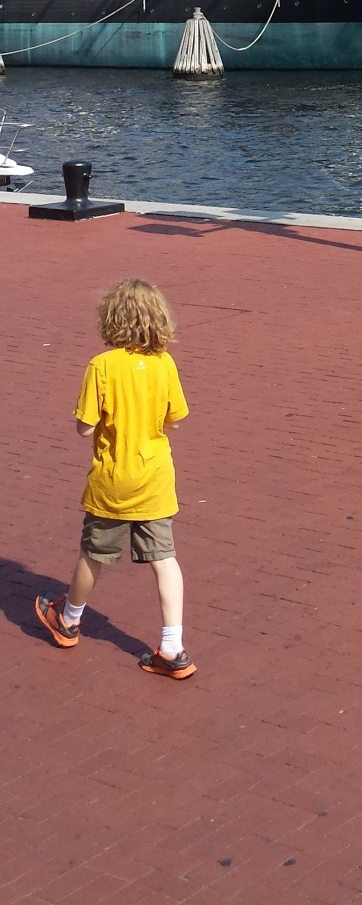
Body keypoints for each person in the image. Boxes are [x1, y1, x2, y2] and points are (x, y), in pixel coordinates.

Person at [35, 278, 196, 678]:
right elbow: (175, 420)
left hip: (113, 478)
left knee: (94, 553)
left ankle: (69, 619)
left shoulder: (102, 365)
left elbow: (85, 428)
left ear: (111, 320)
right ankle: (172, 646)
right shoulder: (165, 363)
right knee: (165, 558)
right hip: (155, 476)